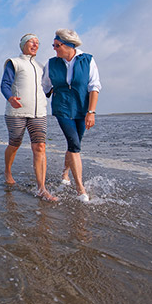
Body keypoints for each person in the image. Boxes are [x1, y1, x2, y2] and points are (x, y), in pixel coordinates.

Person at [42, 29, 101, 203]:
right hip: (62, 109)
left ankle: (65, 173)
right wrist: (55, 92)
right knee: (74, 144)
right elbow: (45, 85)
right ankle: (80, 188)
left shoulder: (88, 60)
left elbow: (94, 87)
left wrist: (91, 112)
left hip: (83, 109)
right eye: (53, 45)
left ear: (69, 45)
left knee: (74, 143)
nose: (54, 49)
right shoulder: (51, 63)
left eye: (57, 45)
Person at [0, 33, 57, 201]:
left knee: (40, 147)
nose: (35, 44)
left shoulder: (41, 67)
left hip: (39, 112)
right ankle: (8, 171)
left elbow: (47, 90)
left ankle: (42, 188)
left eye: (38, 42)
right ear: (23, 44)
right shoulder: (14, 63)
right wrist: (10, 98)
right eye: (32, 41)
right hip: (16, 111)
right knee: (15, 143)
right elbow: (4, 84)